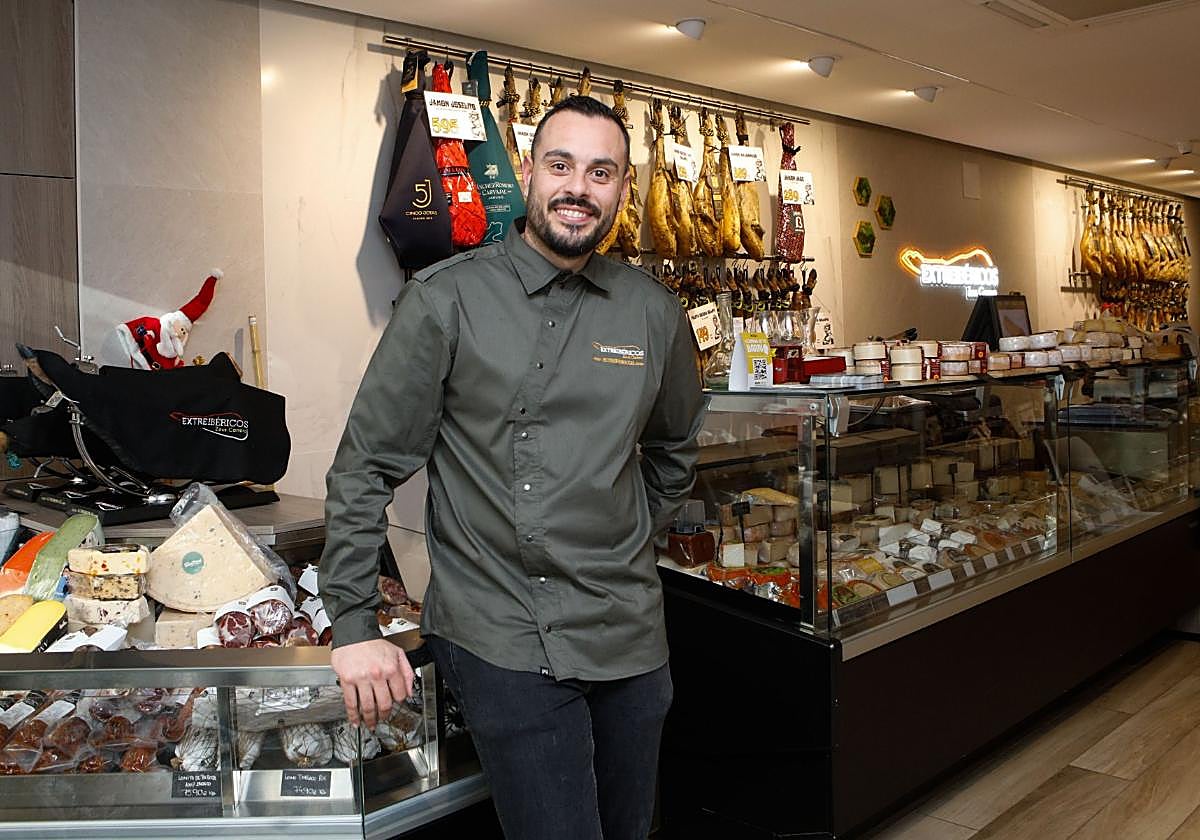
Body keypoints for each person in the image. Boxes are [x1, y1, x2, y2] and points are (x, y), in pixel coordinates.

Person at [320, 94, 706, 840]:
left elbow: (672, 448)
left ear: (623, 189)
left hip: (627, 634)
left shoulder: (652, 313)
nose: (578, 188)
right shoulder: (444, 300)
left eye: (602, 172)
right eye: (561, 165)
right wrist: (352, 620)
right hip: (502, 634)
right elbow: (365, 464)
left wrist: (628, 534)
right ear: (528, 172)